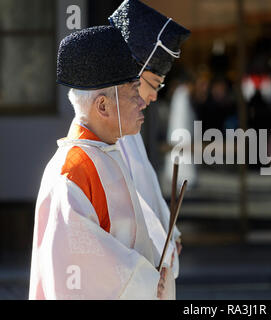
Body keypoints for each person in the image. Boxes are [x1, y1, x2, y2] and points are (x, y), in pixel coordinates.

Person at [29, 25, 171, 299]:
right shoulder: (72, 171)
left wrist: (156, 270)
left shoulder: (106, 152)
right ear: (103, 106)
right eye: (133, 92)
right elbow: (78, 270)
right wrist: (146, 282)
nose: (142, 103)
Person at [108, 0, 191, 297]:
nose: (154, 96)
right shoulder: (106, 135)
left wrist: (170, 236)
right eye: (153, 84)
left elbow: (146, 188)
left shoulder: (127, 131)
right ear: (133, 74)